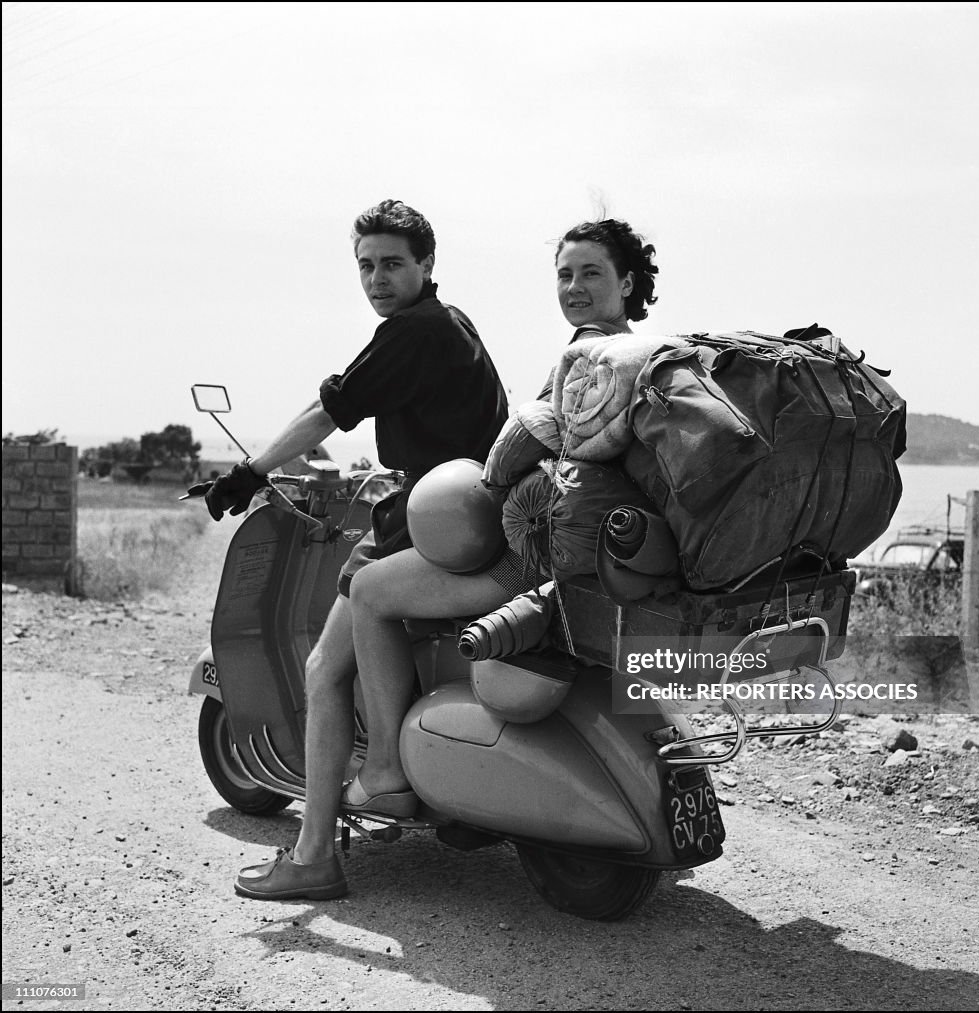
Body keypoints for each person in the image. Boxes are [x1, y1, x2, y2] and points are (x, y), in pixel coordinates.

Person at [213, 199, 508, 901]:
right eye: (366, 265)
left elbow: (329, 410)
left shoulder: (411, 331)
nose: (377, 277)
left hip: (429, 526)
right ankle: (377, 786)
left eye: (392, 263)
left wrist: (252, 468)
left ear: (426, 265)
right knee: (336, 657)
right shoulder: (452, 324)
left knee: (322, 669)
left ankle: (337, 828)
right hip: (462, 515)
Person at [345, 217, 659, 809]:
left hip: (529, 570)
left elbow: (527, 450)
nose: (574, 287)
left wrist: (489, 480)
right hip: (595, 555)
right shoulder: (649, 356)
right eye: (564, 274)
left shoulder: (593, 359)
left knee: (369, 591)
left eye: (591, 273)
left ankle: (385, 768)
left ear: (629, 281)